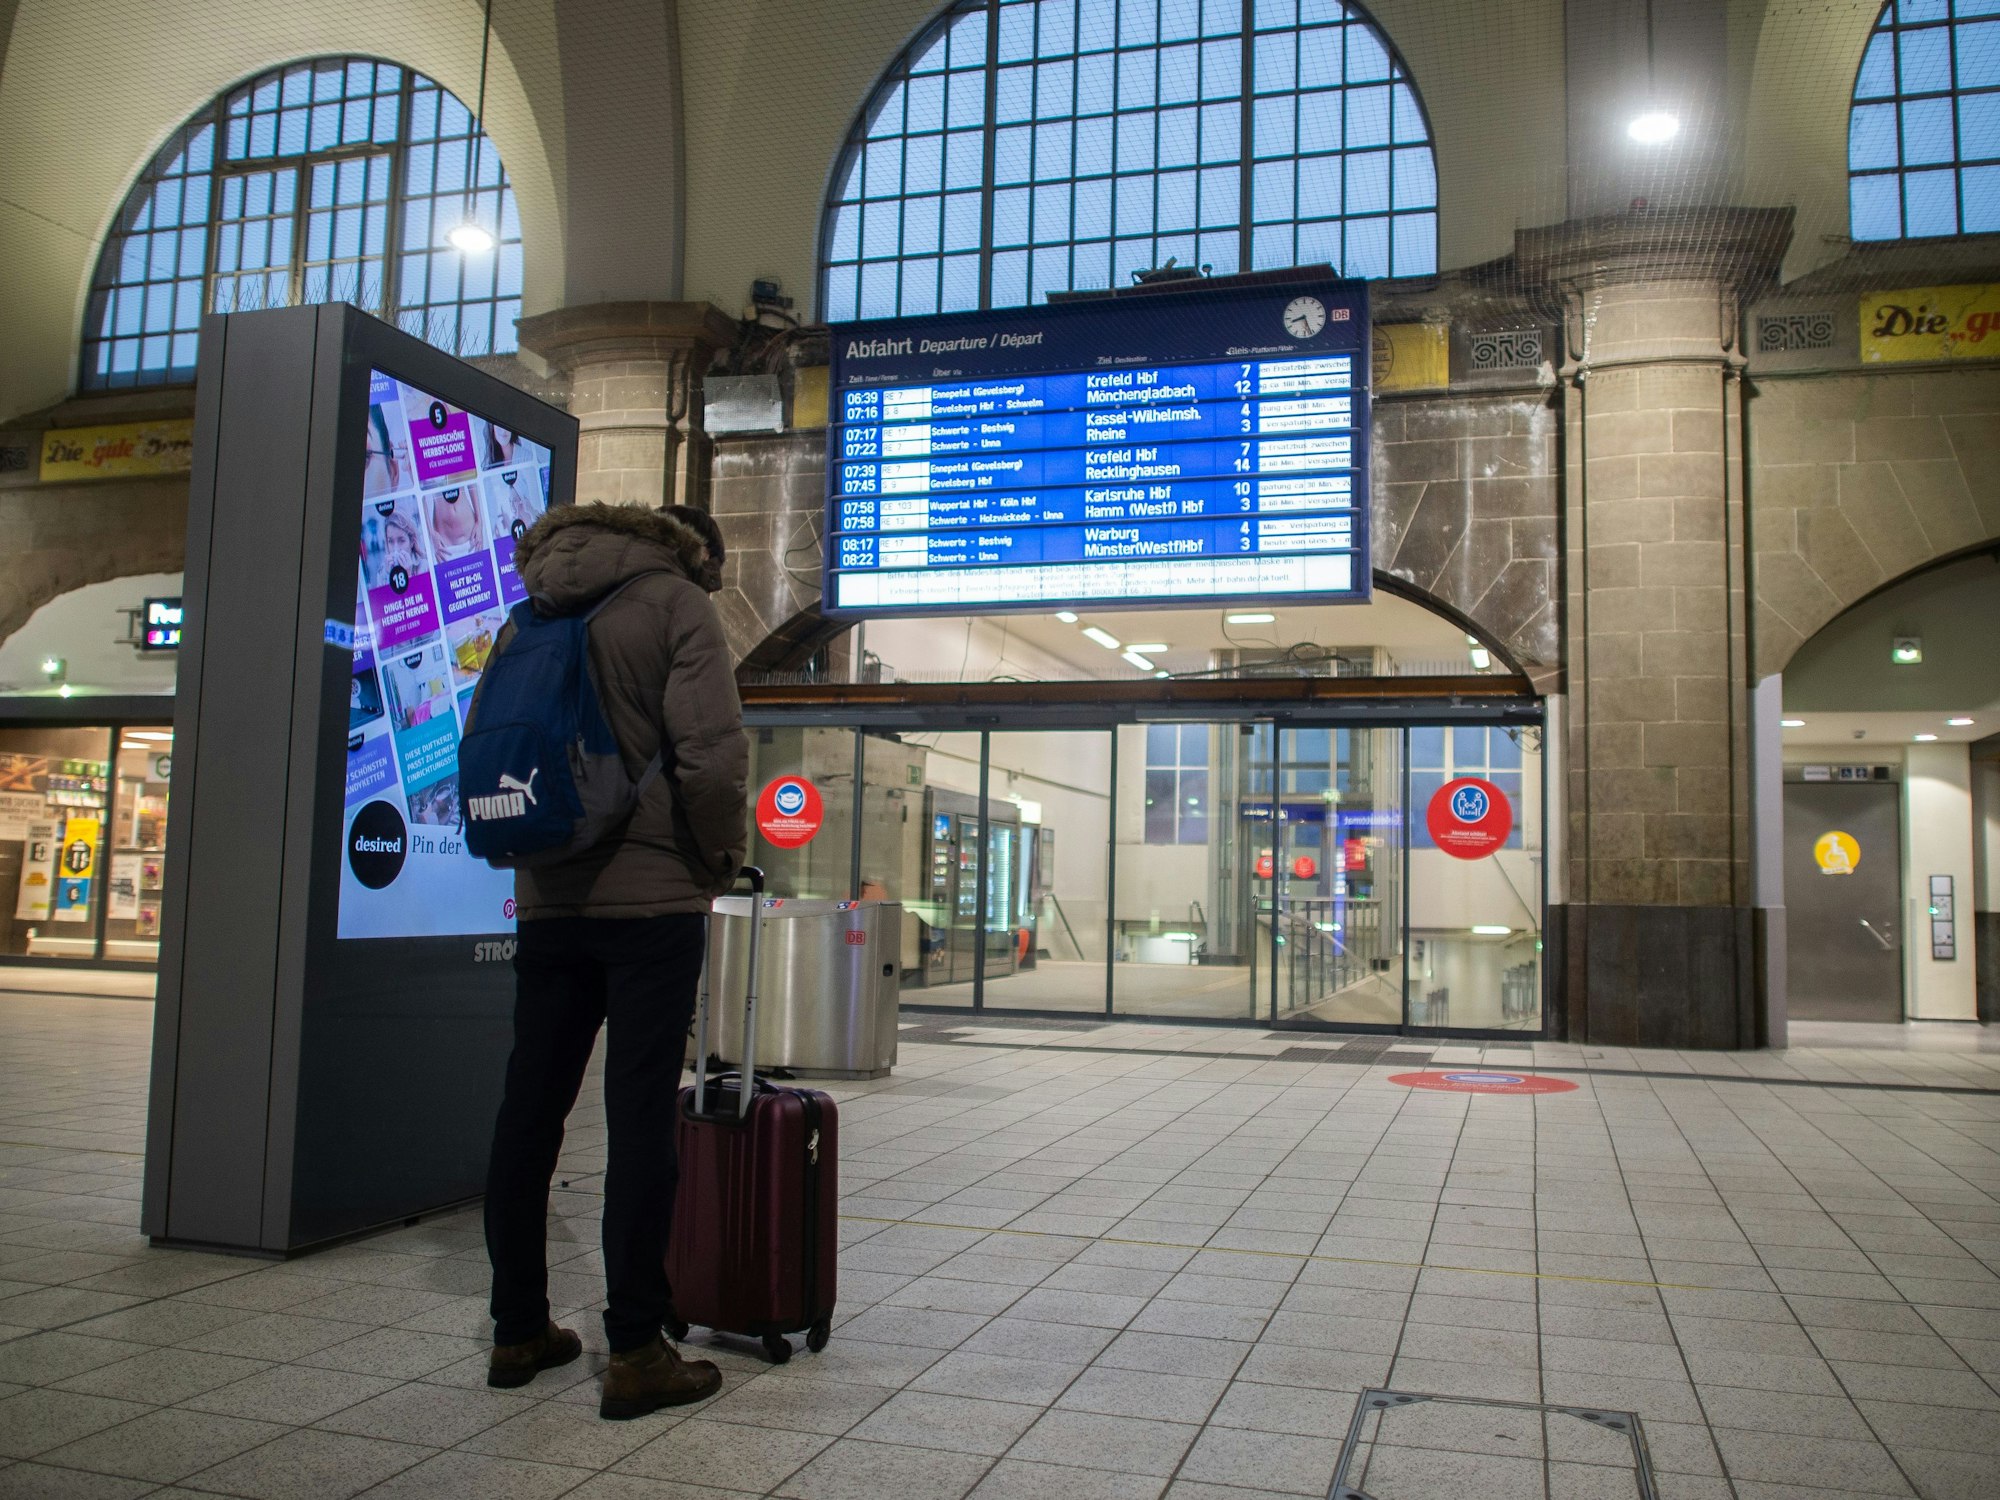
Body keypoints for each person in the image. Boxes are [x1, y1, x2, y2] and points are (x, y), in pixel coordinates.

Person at [478, 501, 748, 1420]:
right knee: (639, 1120)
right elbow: (711, 757)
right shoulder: (675, 603)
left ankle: (518, 1327)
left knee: (529, 1112)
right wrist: (715, 857)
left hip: (550, 898)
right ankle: (635, 1347)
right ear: (692, 549)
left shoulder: (531, 611)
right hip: (653, 900)